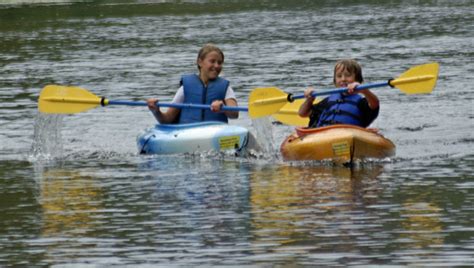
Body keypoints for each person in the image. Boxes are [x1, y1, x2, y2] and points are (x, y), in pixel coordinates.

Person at [147, 44, 239, 124]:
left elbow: (234, 114)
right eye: (212, 61)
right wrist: (156, 111)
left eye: (219, 63)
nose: (216, 66)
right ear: (200, 62)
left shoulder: (226, 88)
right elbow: (166, 120)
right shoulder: (185, 88)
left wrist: (223, 107)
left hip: (216, 134)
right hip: (188, 133)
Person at [298, 59, 379, 128]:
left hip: (347, 136)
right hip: (323, 135)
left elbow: (375, 104)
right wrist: (309, 100)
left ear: (357, 80)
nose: (343, 79)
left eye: (347, 75)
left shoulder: (361, 103)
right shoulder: (328, 101)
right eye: (339, 76)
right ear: (335, 81)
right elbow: (302, 113)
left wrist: (364, 90)